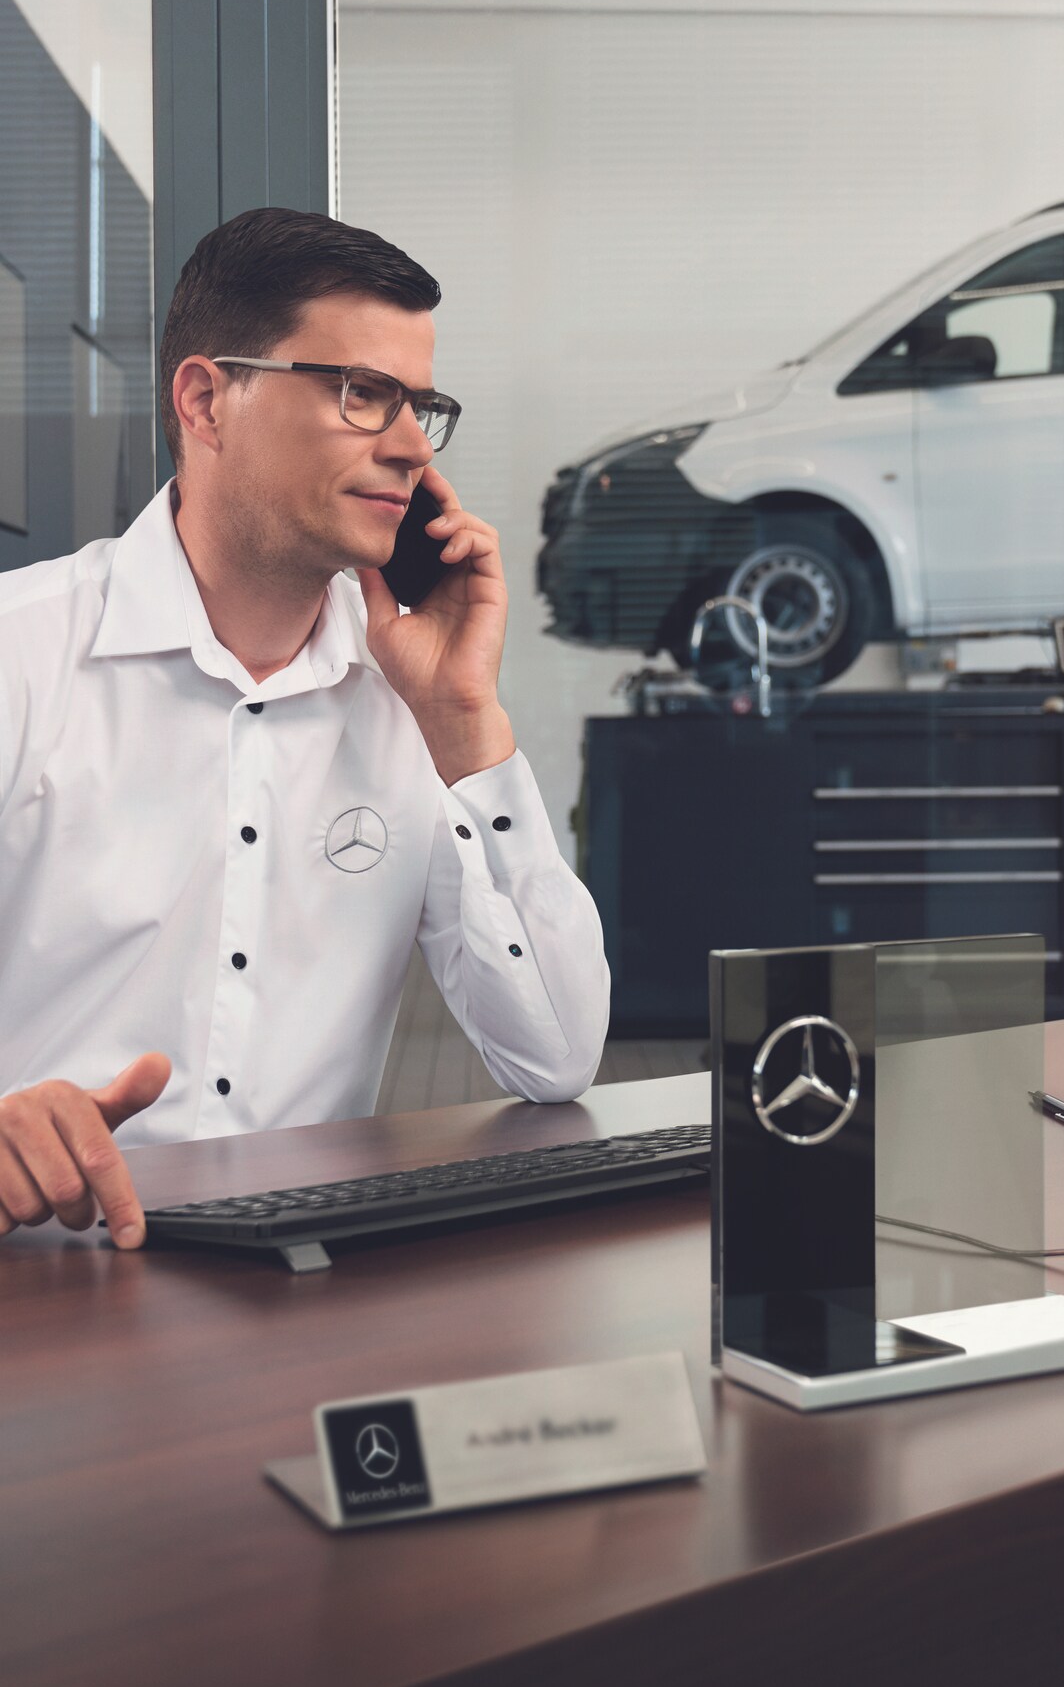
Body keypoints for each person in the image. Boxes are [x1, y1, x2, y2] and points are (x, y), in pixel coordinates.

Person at [0, 207, 610, 1249]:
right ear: (205, 401)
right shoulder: (20, 658)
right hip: (39, 1301)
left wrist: (464, 722)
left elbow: (556, 1056)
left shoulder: (410, 703)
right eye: (362, 394)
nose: (413, 448)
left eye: (421, 406)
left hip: (296, 1311)